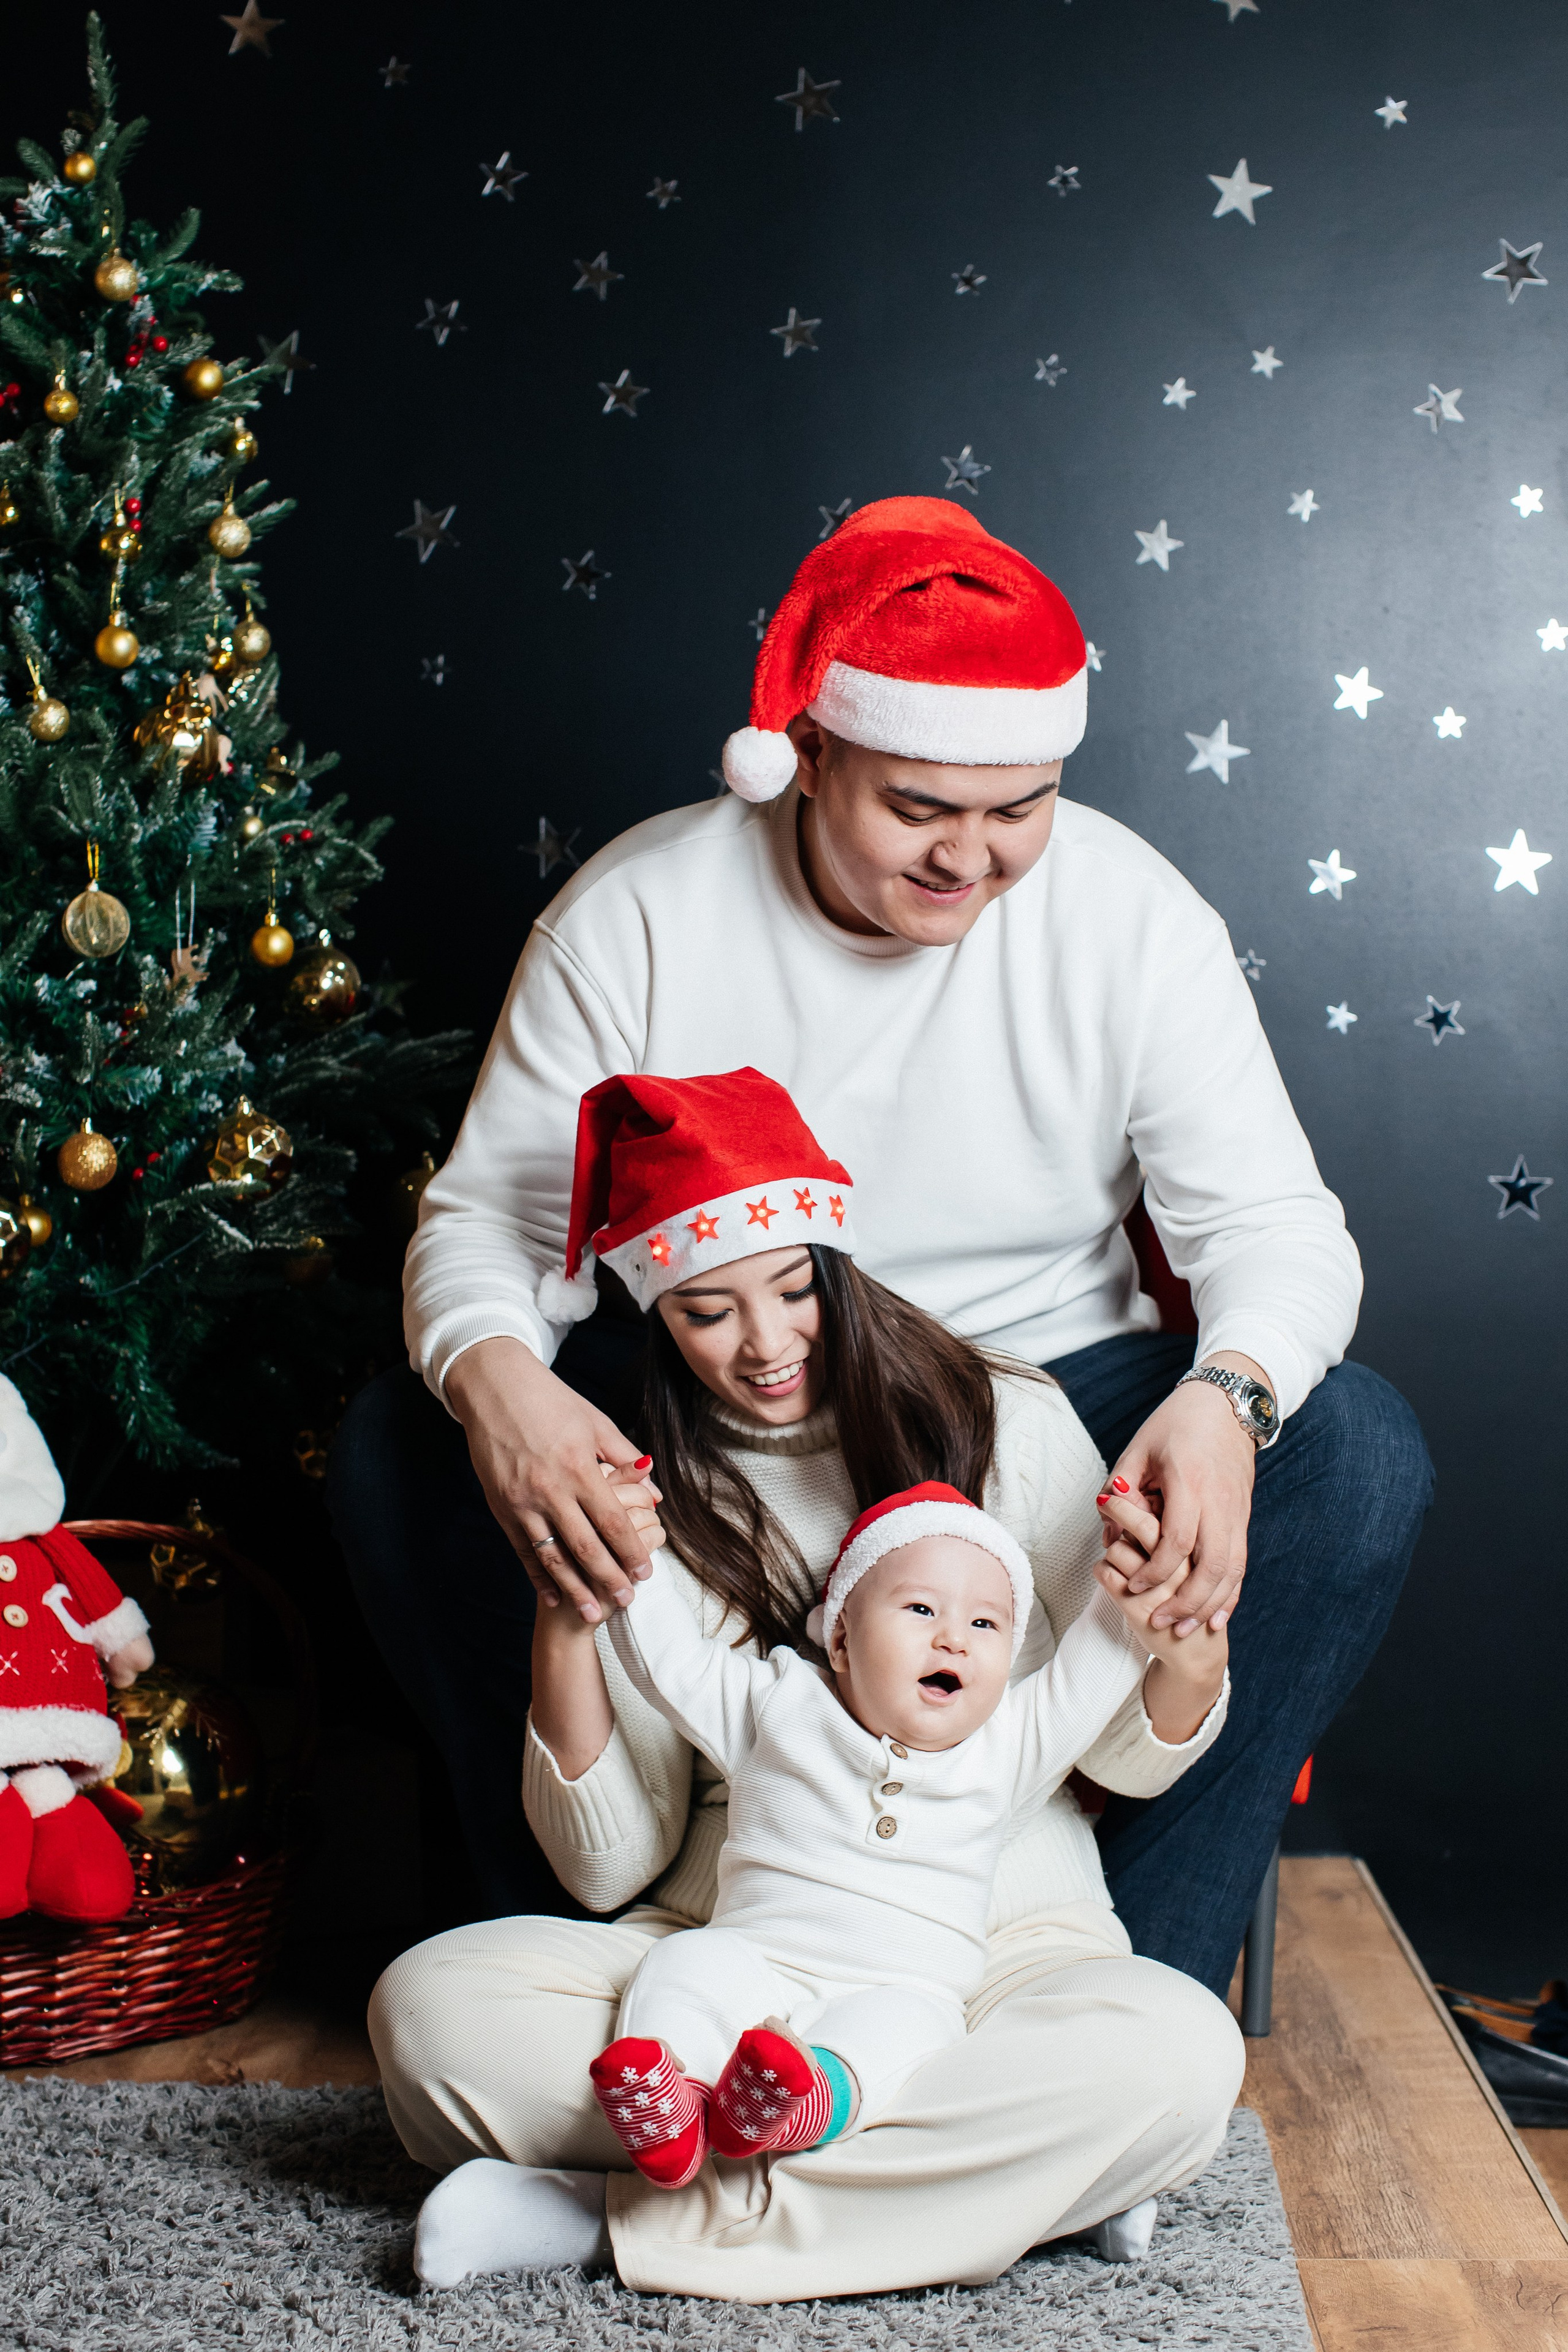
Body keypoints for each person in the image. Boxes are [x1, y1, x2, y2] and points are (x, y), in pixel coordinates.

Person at [331, 492, 1433, 1991]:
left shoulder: (1129, 913)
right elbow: (486, 1225)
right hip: (726, 1408)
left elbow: (1273, 1226)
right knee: (406, 1445)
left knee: (1353, 1453)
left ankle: (1111, 1985)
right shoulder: (638, 912)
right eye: (917, 808)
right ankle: (580, 1963)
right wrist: (498, 1387)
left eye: (1017, 809)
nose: (968, 859)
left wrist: (1226, 1403)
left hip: (1039, 1398)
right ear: (807, 753)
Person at [372, 1069, 1245, 2302]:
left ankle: (592, 2218)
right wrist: (571, 1612)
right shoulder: (647, 1499)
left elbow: (1113, 1753)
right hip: (728, 1939)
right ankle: (1025, 2185)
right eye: (708, 1311)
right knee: (430, 2015)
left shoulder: (1009, 1417)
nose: (769, 1344)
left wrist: (1185, 1648)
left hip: (1000, 1950)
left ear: (838, 1264)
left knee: (1178, 2055)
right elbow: (609, 1870)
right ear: (656, 1313)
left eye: (794, 1289)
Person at [588, 1476, 1227, 2187]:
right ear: (840, 1638)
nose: (953, 1637)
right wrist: (630, 1544)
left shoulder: (1008, 1744)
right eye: (921, 1609)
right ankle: (675, 2114)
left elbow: (1093, 1668)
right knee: (683, 1967)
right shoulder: (774, 1705)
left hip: (899, 1988)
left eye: (985, 1625)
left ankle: (800, 2106)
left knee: (913, 2033)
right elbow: (669, 1663)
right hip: (756, 1955)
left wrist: (1136, 1576)